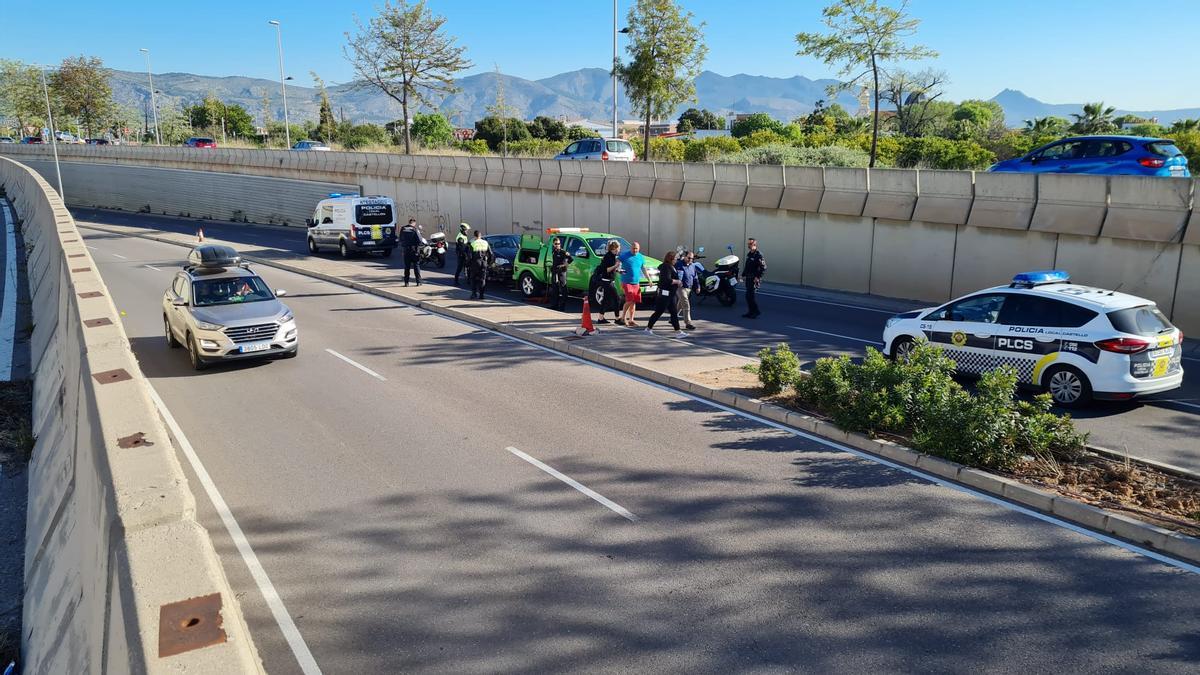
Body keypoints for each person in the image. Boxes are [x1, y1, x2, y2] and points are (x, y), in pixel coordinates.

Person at [645, 250, 687, 338]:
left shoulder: (671, 266)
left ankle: (678, 331)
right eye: (675, 258)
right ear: (671, 258)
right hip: (665, 294)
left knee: (674, 312)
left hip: (670, 294)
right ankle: (648, 329)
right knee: (659, 311)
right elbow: (667, 280)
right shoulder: (666, 267)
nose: (676, 260)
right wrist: (677, 281)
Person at [589, 240, 622, 324]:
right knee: (617, 299)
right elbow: (606, 270)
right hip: (607, 281)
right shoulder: (608, 256)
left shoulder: (612, 256)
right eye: (618, 248)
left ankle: (600, 318)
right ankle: (617, 319)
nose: (619, 249)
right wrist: (616, 265)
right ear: (614, 248)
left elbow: (611, 269)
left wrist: (618, 270)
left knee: (606, 300)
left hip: (609, 280)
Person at [616, 241, 648, 326]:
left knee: (634, 301)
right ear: (630, 248)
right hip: (626, 281)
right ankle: (623, 318)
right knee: (629, 300)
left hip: (636, 282)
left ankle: (631, 319)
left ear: (639, 249)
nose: (635, 250)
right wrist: (618, 268)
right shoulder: (624, 255)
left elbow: (644, 268)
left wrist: (649, 279)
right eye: (633, 248)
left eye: (636, 248)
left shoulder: (640, 257)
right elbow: (617, 262)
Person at [675, 250, 701, 330]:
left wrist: (697, 287)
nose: (690, 259)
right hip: (680, 287)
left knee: (680, 304)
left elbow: (695, 278)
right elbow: (673, 273)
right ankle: (688, 323)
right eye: (689, 258)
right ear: (685, 257)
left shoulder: (692, 266)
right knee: (686, 304)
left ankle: (672, 318)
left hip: (688, 288)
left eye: (692, 258)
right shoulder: (678, 264)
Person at [742, 237, 765, 318]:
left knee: (750, 296)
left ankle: (756, 312)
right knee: (748, 296)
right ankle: (750, 312)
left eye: (750, 244)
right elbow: (747, 266)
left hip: (754, 279)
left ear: (754, 244)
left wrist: (757, 277)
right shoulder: (750, 254)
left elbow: (763, 267)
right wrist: (743, 275)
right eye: (748, 244)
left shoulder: (758, 255)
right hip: (748, 278)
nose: (748, 245)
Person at [548, 237, 573, 311]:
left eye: (559, 244)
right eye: (556, 244)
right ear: (553, 244)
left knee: (563, 289)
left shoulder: (563, 252)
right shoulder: (554, 251)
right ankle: (554, 305)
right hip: (555, 271)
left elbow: (571, 259)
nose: (557, 245)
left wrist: (564, 265)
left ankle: (562, 306)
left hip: (562, 272)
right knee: (555, 288)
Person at [468, 230, 492, 299]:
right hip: (484, 263)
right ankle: (481, 295)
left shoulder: (473, 243)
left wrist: (468, 264)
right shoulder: (485, 243)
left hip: (475, 263)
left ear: (474, 236)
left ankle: (474, 294)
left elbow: (470, 256)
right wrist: (488, 263)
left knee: (473, 279)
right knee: (482, 279)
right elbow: (491, 254)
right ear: (480, 236)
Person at [400, 218, 422, 287]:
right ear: (414, 223)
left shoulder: (403, 229)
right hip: (414, 250)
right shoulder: (415, 229)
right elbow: (420, 240)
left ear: (409, 222)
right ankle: (418, 282)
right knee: (416, 266)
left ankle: (406, 283)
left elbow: (401, 239)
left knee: (407, 267)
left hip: (406, 250)